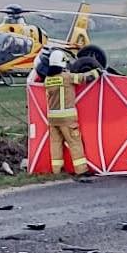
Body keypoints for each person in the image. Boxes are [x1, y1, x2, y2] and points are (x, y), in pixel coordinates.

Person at [42, 48, 100, 176]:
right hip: (67, 119)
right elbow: (85, 78)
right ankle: (82, 170)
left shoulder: (47, 80)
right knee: (75, 143)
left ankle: (57, 171)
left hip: (52, 119)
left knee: (55, 144)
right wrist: (98, 71)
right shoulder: (67, 77)